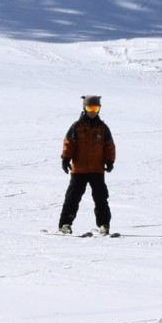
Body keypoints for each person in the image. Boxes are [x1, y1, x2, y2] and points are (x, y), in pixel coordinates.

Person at [57, 95, 115, 235]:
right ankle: (65, 224)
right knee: (72, 198)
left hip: (97, 170)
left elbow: (109, 146)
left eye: (96, 108)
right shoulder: (77, 126)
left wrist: (109, 161)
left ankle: (103, 224)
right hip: (79, 170)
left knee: (101, 198)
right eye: (90, 108)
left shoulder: (102, 128)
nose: (93, 111)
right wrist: (66, 159)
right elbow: (69, 144)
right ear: (84, 108)